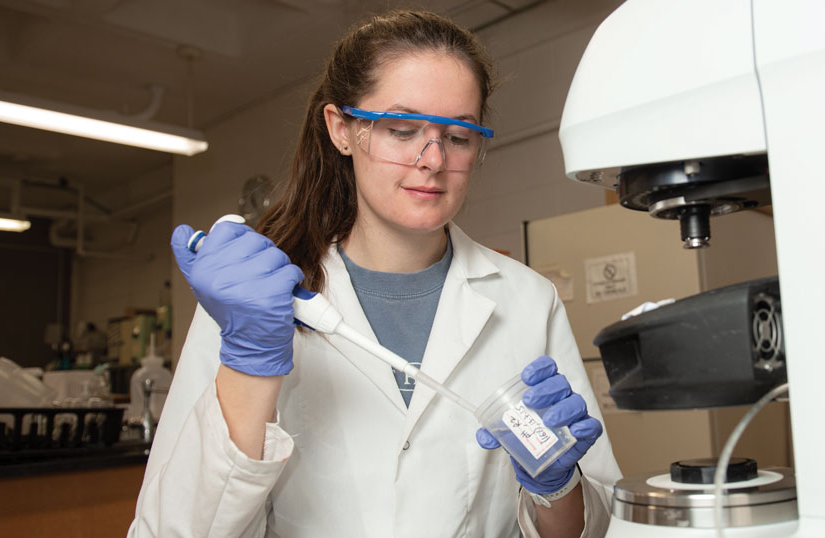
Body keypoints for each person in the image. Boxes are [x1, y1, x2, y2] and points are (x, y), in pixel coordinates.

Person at [129, 10, 621, 538]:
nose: (432, 159)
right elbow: (169, 531)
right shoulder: (256, 304)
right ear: (342, 130)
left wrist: (557, 485)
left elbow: (591, 529)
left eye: (459, 136)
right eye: (402, 129)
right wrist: (250, 365)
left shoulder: (527, 299)